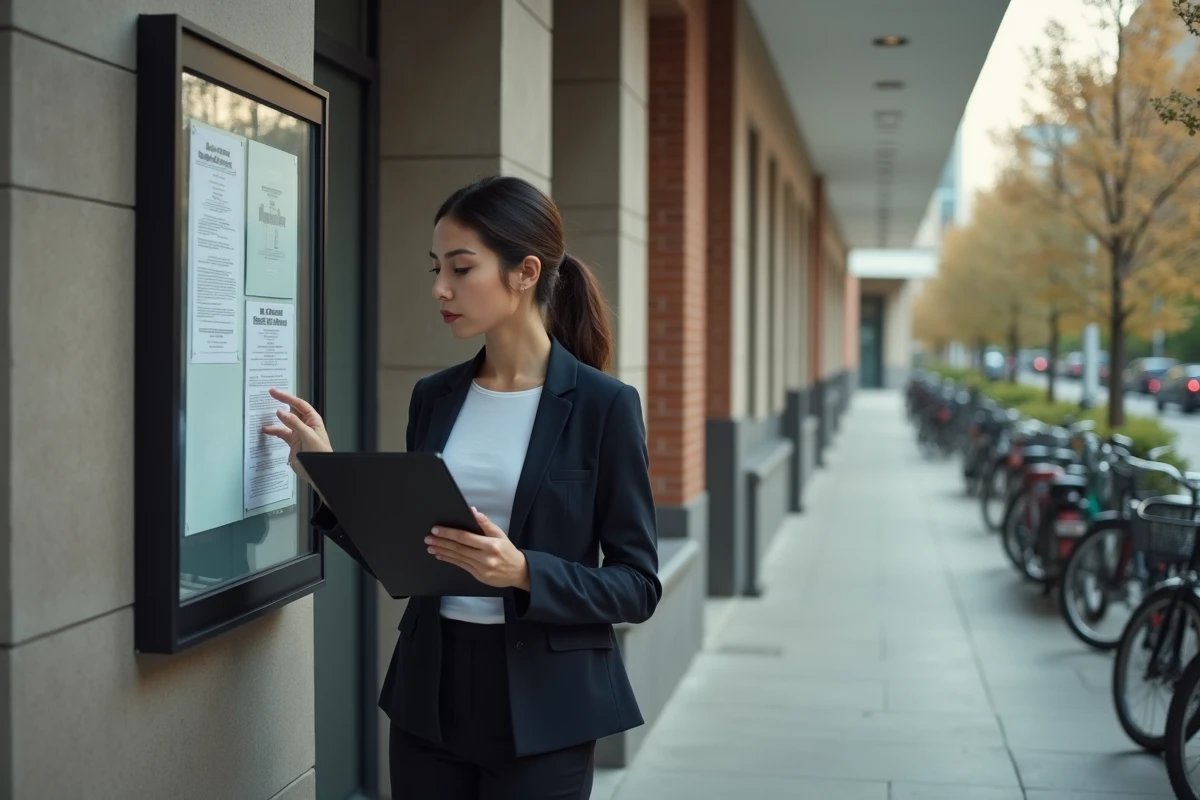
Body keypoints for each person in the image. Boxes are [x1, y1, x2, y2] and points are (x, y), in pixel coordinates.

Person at [262, 175, 661, 799]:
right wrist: (330, 478)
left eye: (461, 268)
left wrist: (525, 570)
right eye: (436, 268)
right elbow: (413, 559)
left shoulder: (604, 407)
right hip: (432, 697)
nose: (440, 288)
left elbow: (638, 585)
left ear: (525, 272)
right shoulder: (436, 397)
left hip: (546, 710)